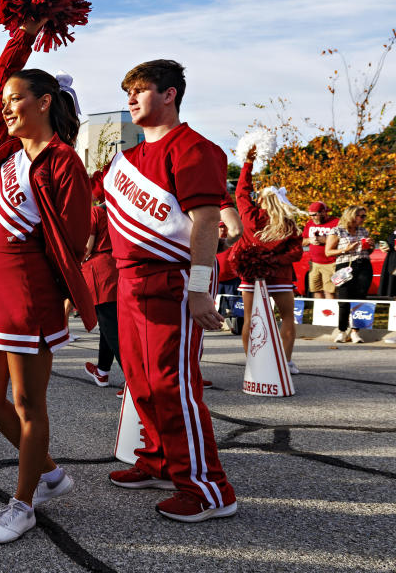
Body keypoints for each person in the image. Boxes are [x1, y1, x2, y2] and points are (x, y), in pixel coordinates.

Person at [0, 19, 97, 543]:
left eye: (16, 100)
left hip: (30, 301)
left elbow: (76, 240)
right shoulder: (6, 153)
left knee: (30, 405)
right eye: (5, 101)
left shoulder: (63, 162)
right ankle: (50, 472)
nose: (6, 107)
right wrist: (24, 34)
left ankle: (24, 502)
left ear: (45, 101)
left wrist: (65, 297)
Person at [91, 57, 237, 523]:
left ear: (170, 94)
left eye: (140, 89)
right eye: (127, 92)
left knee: (172, 385)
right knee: (139, 382)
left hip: (173, 279)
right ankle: (156, 460)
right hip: (128, 281)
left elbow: (207, 223)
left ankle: (208, 489)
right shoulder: (127, 159)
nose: (130, 99)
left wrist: (198, 290)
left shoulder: (195, 148)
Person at [235, 146, 304, 373]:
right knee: (286, 318)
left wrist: (248, 163)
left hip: (251, 274)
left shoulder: (250, 216)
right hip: (280, 276)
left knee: (249, 319)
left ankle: (253, 362)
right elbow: (296, 253)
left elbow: (241, 192)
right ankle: (286, 362)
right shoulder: (289, 224)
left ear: (261, 200)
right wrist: (275, 261)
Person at [82, 203, 121, 389]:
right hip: (119, 266)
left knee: (113, 329)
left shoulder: (94, 212)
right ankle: (103, 371)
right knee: (109, 325)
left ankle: (135, 382)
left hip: (100, 271)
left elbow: (86, 248)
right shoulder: (121, 209)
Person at [325, 206, 375, 343]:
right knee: (344, 298)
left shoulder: (363, 230)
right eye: (361, 216)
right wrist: (346, 249)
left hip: (363, 264)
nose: (364, 219)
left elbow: (367, 252)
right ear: (352, 216)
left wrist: (370, 246)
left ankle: (355, 332)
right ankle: (342, 330)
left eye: (365, 216)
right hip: (345, 265)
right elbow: (328, 252)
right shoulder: (337, 230)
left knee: (360, 299)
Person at [303, 201, 339, 299]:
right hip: (314, 263)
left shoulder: (336, 222)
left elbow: (343, 241)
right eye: (310, 215)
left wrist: (326, 240)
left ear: (323, 212)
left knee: (330, 291)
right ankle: (320, 313)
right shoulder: (310, 223)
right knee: (316, 290)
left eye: (315, 215)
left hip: (330, 262)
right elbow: (302, 241)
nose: (312, 217)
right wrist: (310, 240)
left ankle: (331, 313)